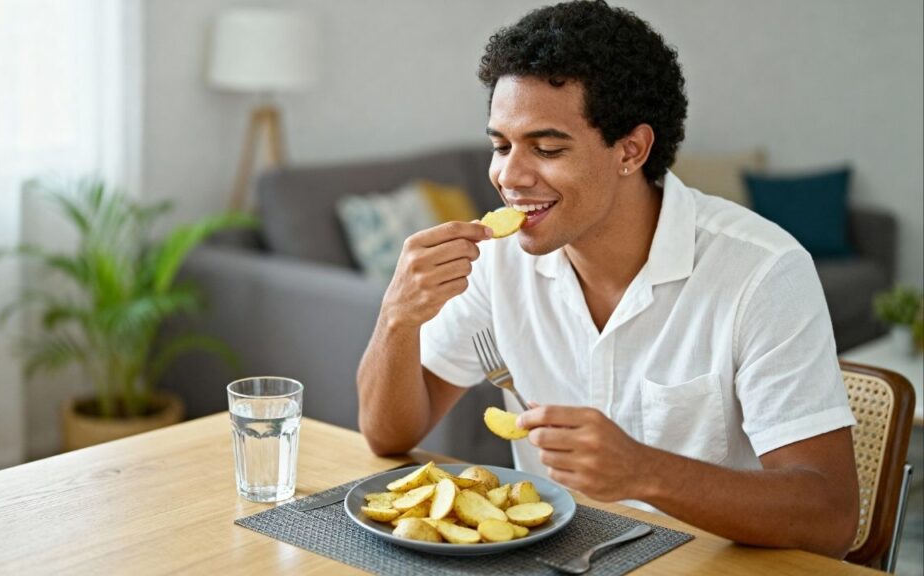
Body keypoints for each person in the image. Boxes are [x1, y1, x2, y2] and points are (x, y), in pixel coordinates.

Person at [356, 0, 859, 558]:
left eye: (547, 148)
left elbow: (830, 516)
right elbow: (389, 435)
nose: (508, 176)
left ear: (631, 150)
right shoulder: (498, 262)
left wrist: (644, 473)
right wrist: (397, 315)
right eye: (500, 146)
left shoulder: (761, 271)